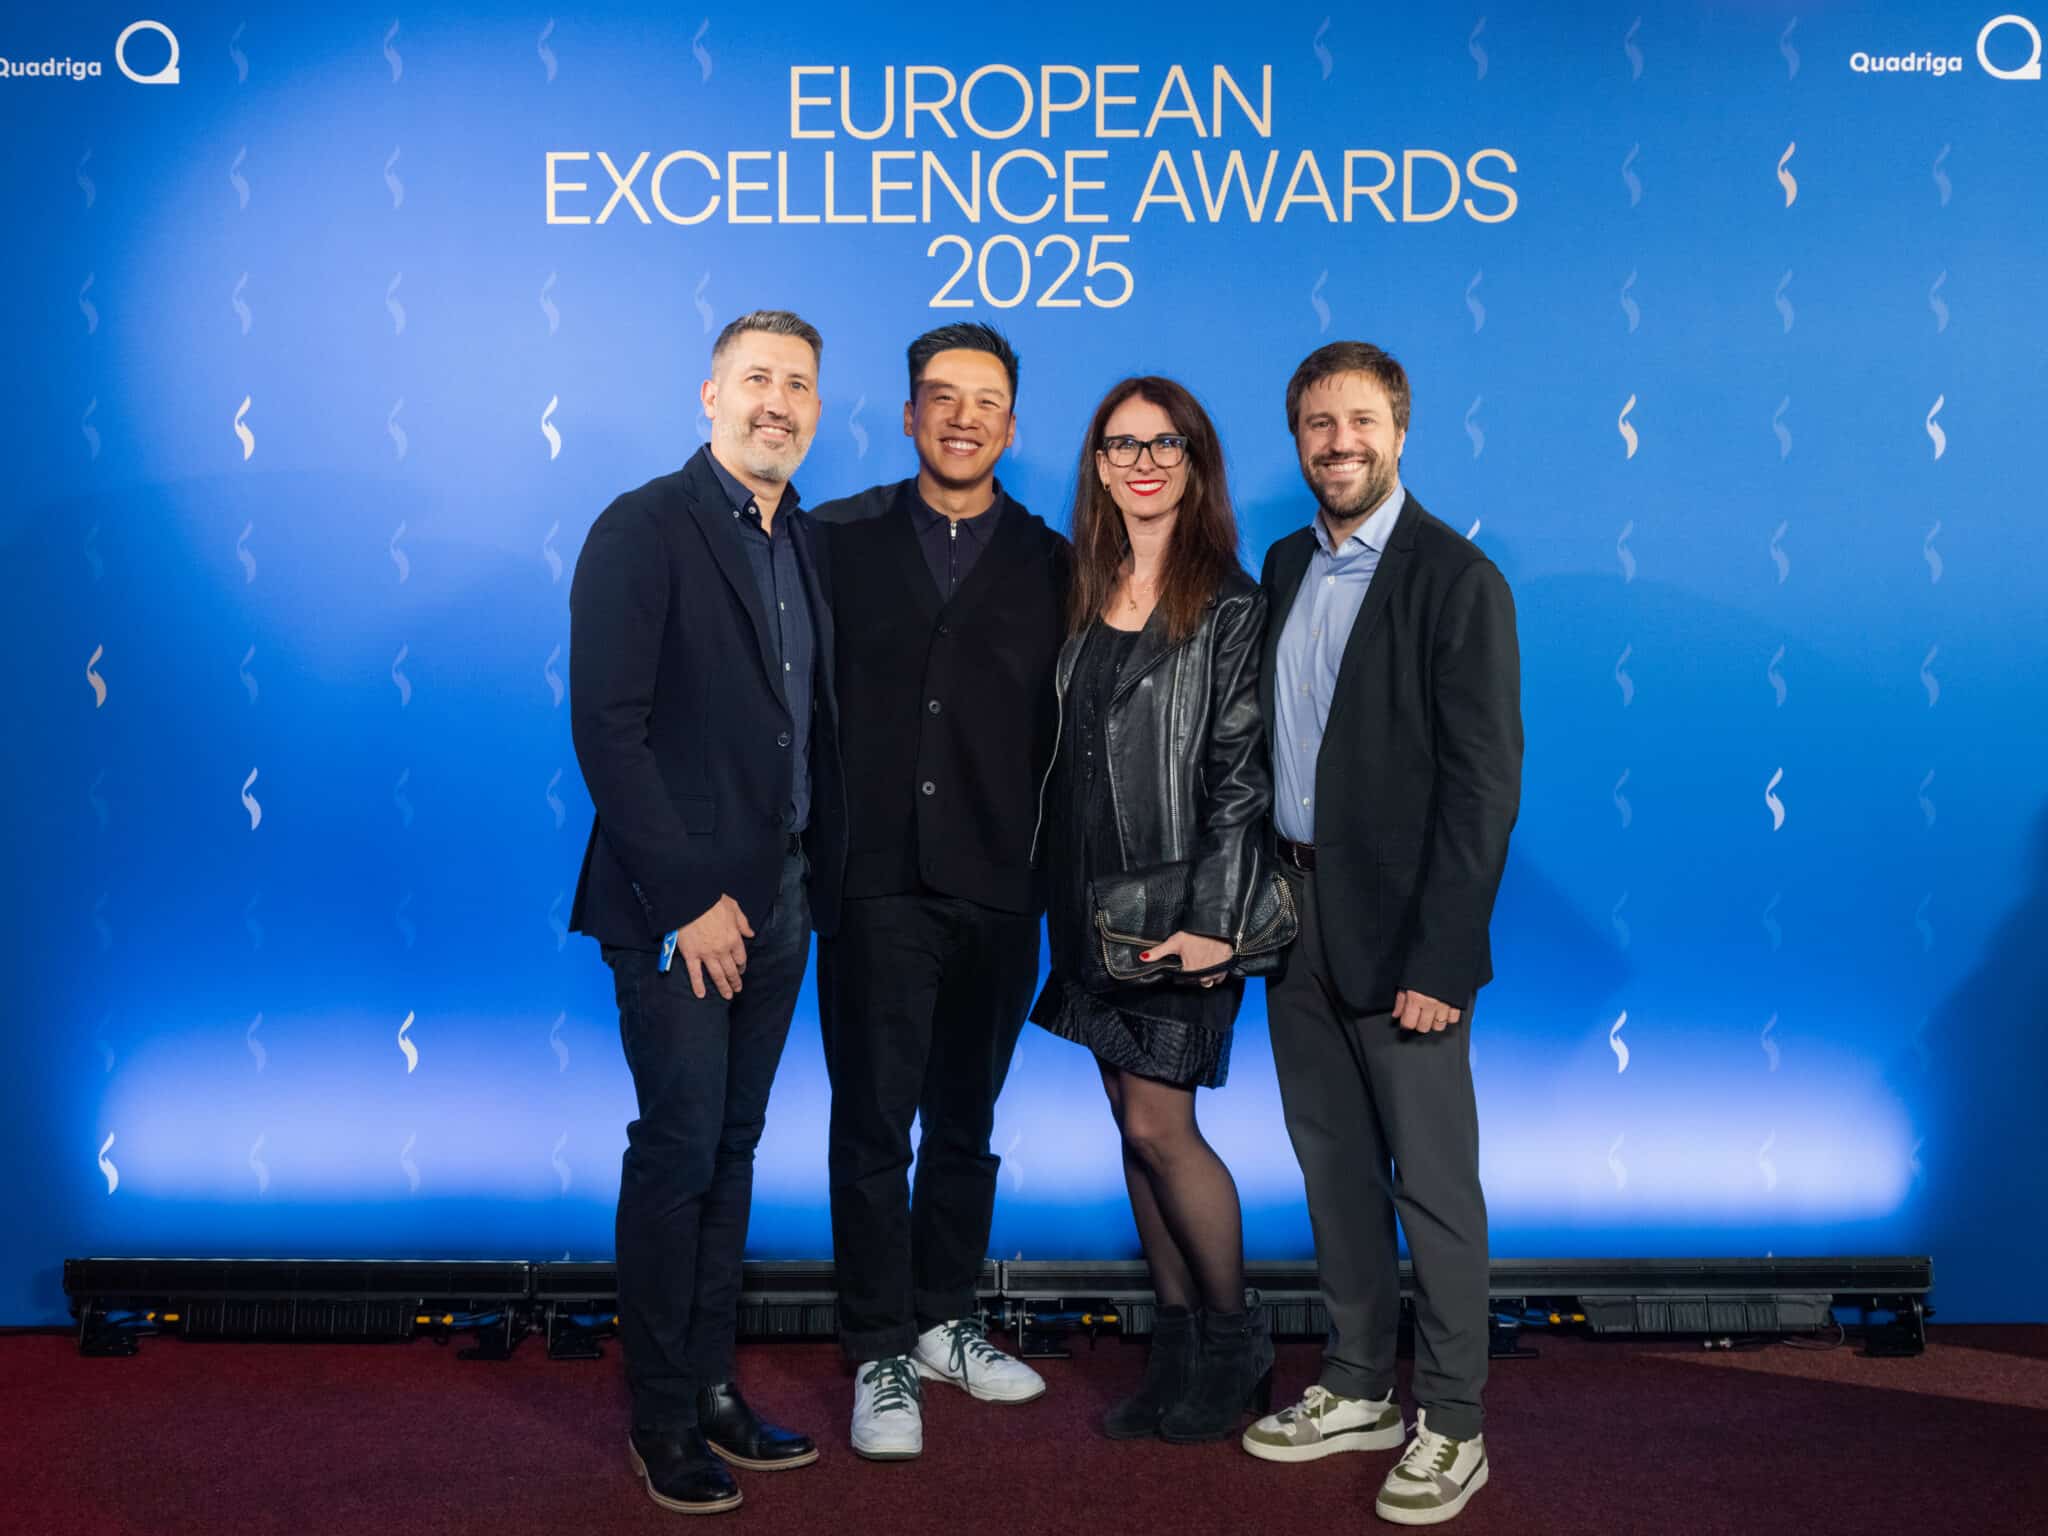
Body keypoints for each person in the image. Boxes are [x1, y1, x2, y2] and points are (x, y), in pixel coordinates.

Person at [568, 309, 847, 1516]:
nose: (776, 402)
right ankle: (661, 1416)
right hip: (680, 910)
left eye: (797, 384)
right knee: (679, 1149)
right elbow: (607, 730)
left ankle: (711, 1385)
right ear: (709, 395)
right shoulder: (642, 526)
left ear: (816, 409)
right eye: (755, 379)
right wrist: (691, 900)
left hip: (783, 896)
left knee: (732, 1149)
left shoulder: (807, 542)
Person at [1243, 341, 1521, 1527]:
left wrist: (1442, 958)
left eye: (1359, 420)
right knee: (1333, 1170)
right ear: (1296, 440)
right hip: (1292, 921)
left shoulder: (1456, 579)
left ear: (1399, 432)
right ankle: (1356, 1384)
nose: (1337, 442)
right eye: (1317, 423)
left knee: (1434, 1188)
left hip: (1407, 941)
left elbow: (1481, 789)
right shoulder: (1281, 565)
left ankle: (1451, 1421)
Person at [810, 323, 1070, 1460]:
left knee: (967, 1121)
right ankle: (878, 1345)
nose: (964, 418)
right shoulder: (832, 540)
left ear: (1011, 427)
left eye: (986, 402)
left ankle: (942, 1320)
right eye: (942, 397)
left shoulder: (1058, 561)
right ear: (909, 415)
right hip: (873, 882)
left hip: (1003, 887)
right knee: (872, 1125)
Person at [1029, 375, 1276, 1443]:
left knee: (1157, 1125)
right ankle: (1175, 1345)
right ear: (1097, 464)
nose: (1142, 462)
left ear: (1194, 461)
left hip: (1177, 914)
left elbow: (1240, 779)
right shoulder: (1081, 589)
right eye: (1121, 444)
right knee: (1127, 1130)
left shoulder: (1230, 604)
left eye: (1163, 443)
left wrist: (1214, 922)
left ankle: (1235, 1339)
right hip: (1085, 906)